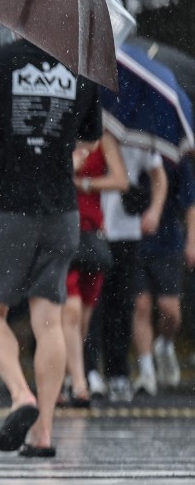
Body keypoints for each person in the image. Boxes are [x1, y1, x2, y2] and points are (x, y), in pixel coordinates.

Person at [0, 37, 102, 458]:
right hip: (62, 210)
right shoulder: (82, 70)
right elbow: (88, 141)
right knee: (50, 319)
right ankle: (43, 434)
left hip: (8, 207)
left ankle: (22, 395)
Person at [85, 144, 164, 402]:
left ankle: (117, 371)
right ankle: (89, 370)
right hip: (92, 227)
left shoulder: (138, 135)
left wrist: (154, 210)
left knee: (121, 305)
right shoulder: (90, 134)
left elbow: (157, 174)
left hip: (125, 230)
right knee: (90, 305)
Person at [60, 132, 127, 407]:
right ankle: (79, 382)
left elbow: (121, 180)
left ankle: (65, 377)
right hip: (63, 233)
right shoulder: (59, 134)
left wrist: (84, 182)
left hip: (91, 235)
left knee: (83, 318)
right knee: (71, 311)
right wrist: (68, 170)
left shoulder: (103, 140)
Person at [131, 157, 195, 397]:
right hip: (134, 240)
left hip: (167, 242)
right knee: (141, 305)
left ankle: (165, 344)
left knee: (170, 310)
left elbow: (190, 203)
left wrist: (192, 241)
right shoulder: (128, 152)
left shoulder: (175, 159)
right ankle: (146, 369)